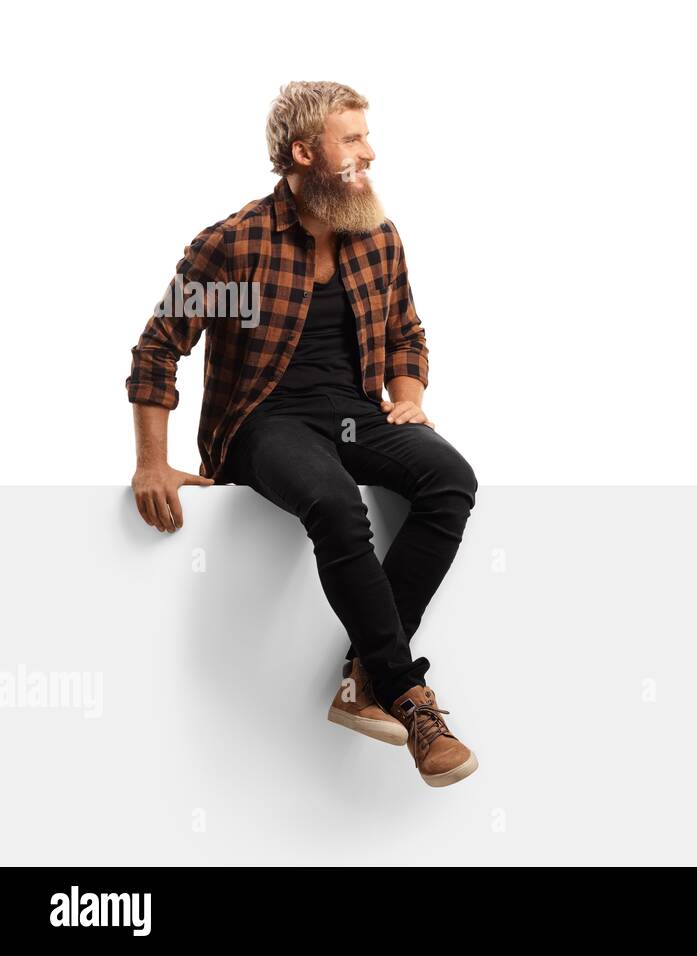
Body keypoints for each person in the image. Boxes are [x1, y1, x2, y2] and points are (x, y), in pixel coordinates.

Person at [126, 81, 479, 786]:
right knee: (335, 504)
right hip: (262, 422)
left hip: (353, 413)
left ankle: (363, 675)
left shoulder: (375, 236)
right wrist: (151, 465)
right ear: (303, 151)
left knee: (451, 479)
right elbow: (159, 348)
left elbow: (406, 332)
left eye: (365, 137)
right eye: (352, 139)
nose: (369, 152)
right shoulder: (233, 248)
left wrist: (406, 396)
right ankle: (408, 695)